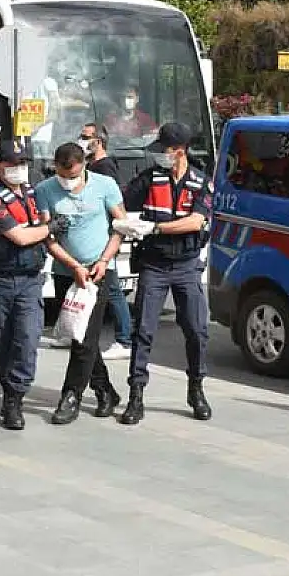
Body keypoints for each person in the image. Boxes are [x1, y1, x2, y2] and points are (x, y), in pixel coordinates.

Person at [116, 122, 213, 424]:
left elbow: (196, 222)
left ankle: (196, 388)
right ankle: (136, 395)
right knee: (143, 331)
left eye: (165, 150)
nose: (159, 155)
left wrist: (155, 227)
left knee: (197, 330)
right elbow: (121, 206)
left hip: (186, 267)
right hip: (154, 266)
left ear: (179, 151)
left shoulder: (201, 181)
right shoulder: (148, 179)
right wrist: (126, 223)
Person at [36, 142, 127, 424]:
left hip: (99, 270)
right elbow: (47, 235)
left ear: (84, 165)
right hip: (68, 272)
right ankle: (104, 390)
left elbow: (120, 225)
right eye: (62, 174)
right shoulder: (45, 190)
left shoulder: (105, 185)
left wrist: (103, 261)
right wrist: (73, 266)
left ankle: (71, 395)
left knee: (85, 338)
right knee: (79, 335)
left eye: (73, 174)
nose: (67, 180)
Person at [0, 141, 66, 429]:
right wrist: (48, 229)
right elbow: (20, 237)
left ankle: (15, 397)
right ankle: (6, 382)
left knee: (28, 339)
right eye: (14, 163)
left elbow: (43, 226)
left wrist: (50, 229)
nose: (20, 169)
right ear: (0, 166)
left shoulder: (32, 193)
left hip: (30, 279)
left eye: (23, 162)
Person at [79, 123, 133, 360]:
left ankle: (124, 339)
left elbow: (113, 204)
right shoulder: (92, 166)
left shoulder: (104, 168)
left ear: (98, 142)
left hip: (105, 236)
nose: (81, 140)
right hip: (97, 234)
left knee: (112, 288)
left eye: (85, 137)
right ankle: (77, 332)